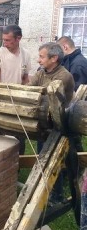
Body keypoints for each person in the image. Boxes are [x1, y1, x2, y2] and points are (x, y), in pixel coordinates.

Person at [28, 42, 75, 205]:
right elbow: (29, 89)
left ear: (54, 58)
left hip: (61, 127)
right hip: (46, 124)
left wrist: (33, 94)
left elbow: (46, 98)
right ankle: (46, 192)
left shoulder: (64, 76)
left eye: (41, 56)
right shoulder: (42, 72)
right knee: (43, 158)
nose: (38, 60)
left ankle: (57, 195)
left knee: (54, 161)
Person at [0, 25, 31, 155]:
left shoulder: (26, 55)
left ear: (18, 38)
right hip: (1, 100)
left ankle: (17, 166)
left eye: (8, 40)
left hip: (18, 101)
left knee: (19, 136)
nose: (5, 43)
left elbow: (25, 79)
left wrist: (24, 97)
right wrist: (2, 98)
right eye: (4, 40)